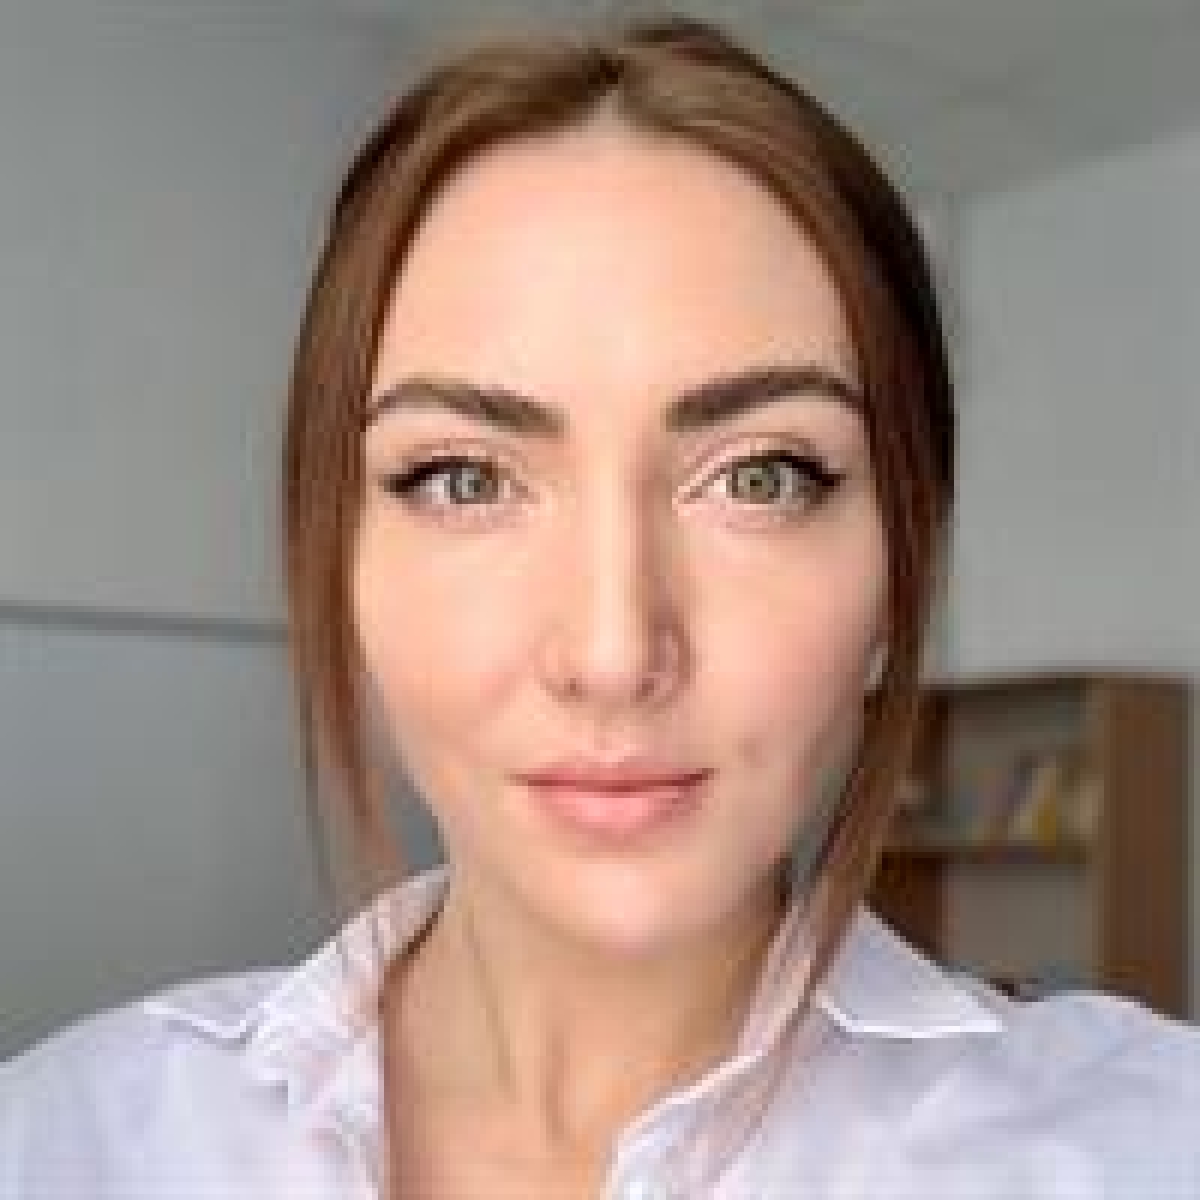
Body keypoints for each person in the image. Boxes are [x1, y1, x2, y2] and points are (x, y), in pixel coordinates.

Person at [1, 12, 1196, 1198]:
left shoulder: (1146, 1150)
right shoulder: (64, 1144)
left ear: (902, 562)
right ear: (338, 556)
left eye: (762, 476)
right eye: (464, 478)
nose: (614, 652)